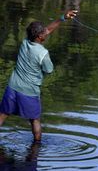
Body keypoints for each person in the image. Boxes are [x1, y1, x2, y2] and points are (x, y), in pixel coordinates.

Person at [0, 10, 78, 141]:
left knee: (2, 114)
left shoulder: (25, 42)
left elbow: (47, 30)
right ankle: (36, 147)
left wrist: (62, 18)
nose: (46, 33)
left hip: (13, 87)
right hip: (29, 92)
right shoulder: (42, 53)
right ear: (40, 37)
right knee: (35, 120)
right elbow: (49, 70)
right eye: (44, 33)